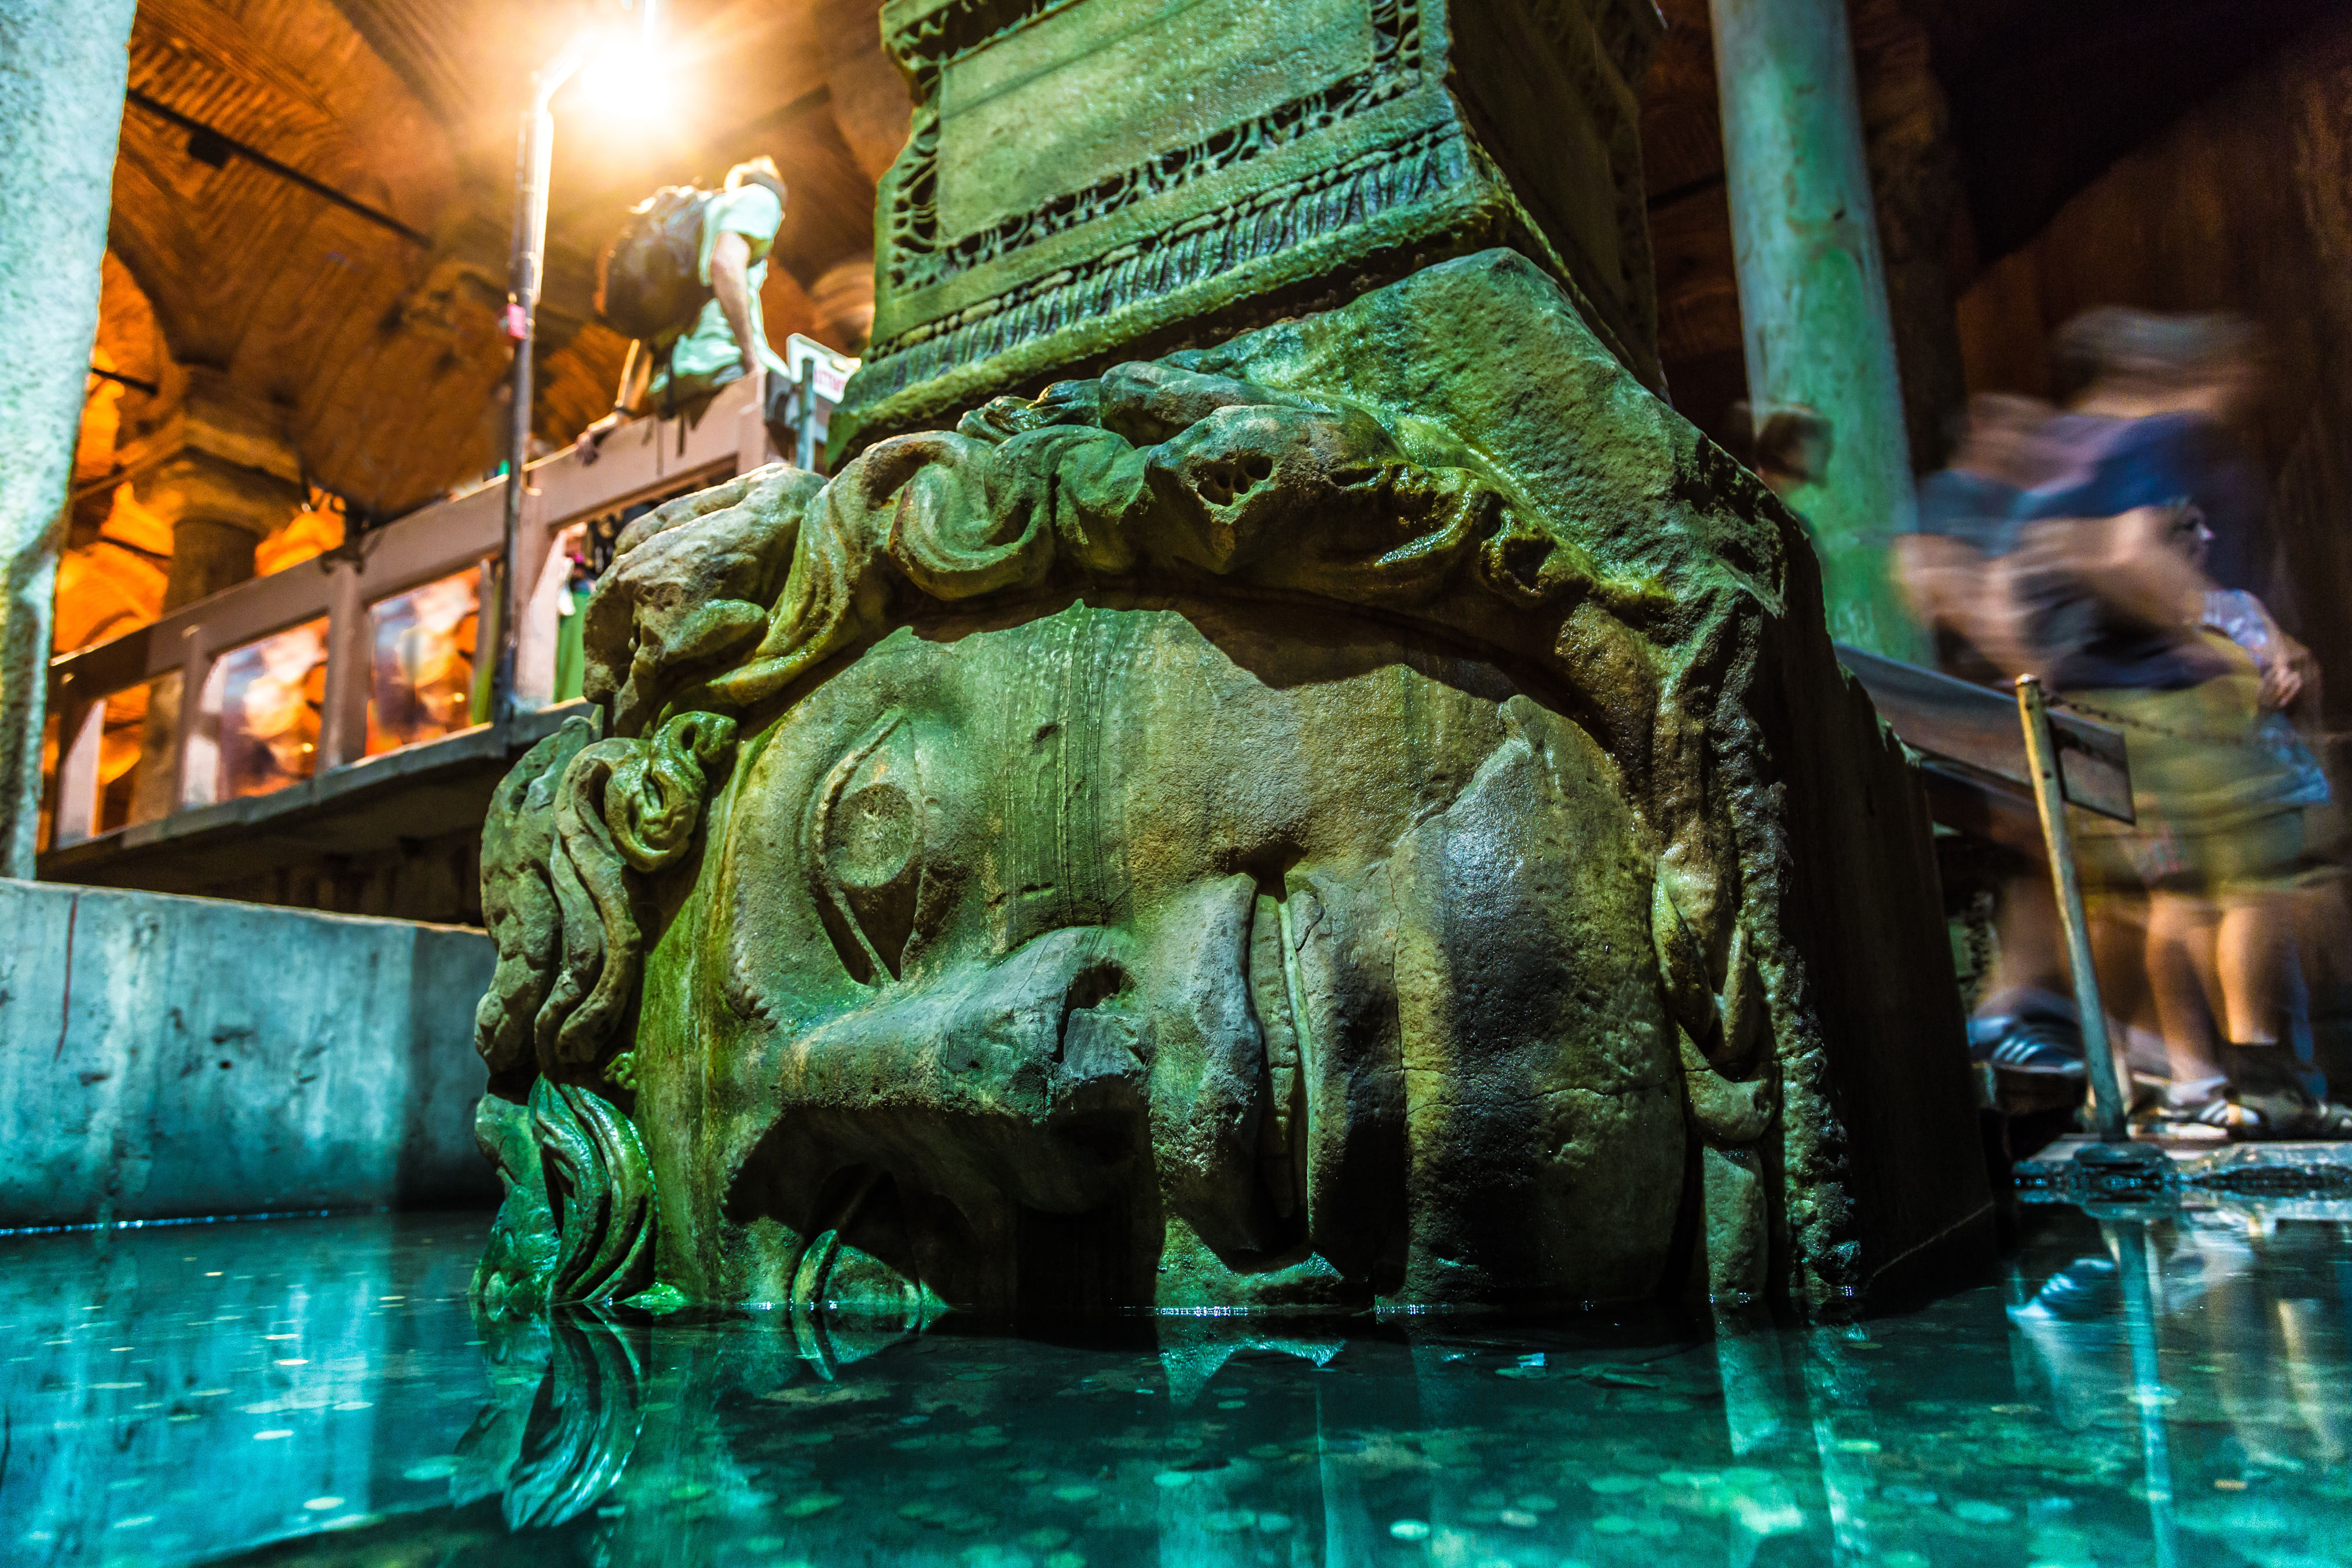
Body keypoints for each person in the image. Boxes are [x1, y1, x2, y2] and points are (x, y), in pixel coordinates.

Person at [2009, 308, 2344, 1137]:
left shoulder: (2069, 454)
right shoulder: (2149, 440)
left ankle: (2193, 1084)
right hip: (2160, 704)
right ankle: (2258, 1079)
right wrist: (2210, 640)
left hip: (2091, 705)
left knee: (2170, 899)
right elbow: (2121, 555)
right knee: (2254, 883)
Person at [577, 156, 793, 460]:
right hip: (726, 373)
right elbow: (724, 265)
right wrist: (753, 363)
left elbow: (650, 322)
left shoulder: (692, 224)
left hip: (672, 394)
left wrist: (623, 411)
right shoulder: (760, 200)